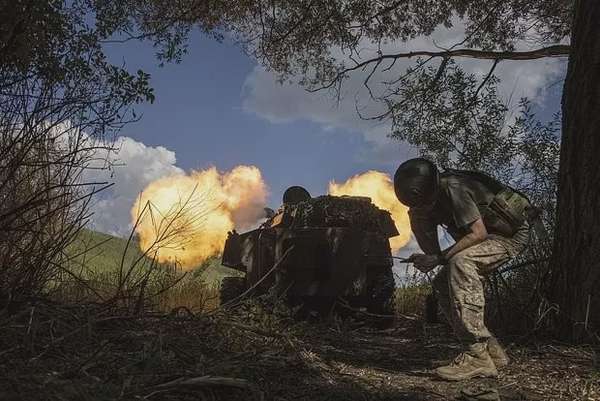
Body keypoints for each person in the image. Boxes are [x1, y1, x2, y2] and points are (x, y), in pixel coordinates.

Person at [393, 158, 532, 381]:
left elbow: (479, 234)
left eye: (423, 204)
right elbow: (435, 255)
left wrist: (438, 257)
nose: (421, 209)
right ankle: (491, 354)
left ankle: (476, 356)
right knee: (441, 281)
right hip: (485, 238)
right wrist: (430, 258)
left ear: (432, 190)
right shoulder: (420, 208)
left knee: (462, 262)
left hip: (509, 237)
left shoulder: (454, 188)